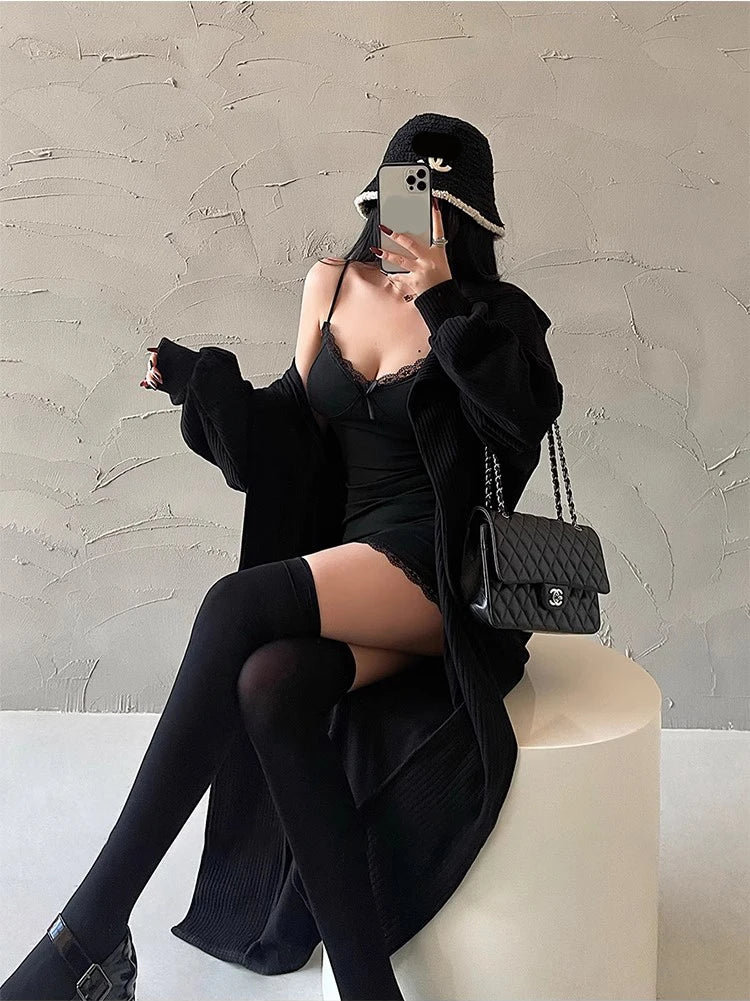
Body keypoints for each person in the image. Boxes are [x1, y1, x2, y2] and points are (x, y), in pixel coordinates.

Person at [1, 113, 563, 1001]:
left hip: (437, 571)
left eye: (440, 206)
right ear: (379, 196)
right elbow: (291, 433)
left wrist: (442, 298)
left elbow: (519, 422)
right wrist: (202, 384)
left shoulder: (495, 319)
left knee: (233, 607)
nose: (414, 217)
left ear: (468, 220)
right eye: (403, 196)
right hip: (351, 565)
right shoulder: (331, 285)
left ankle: (88, 936)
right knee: (271, 686)